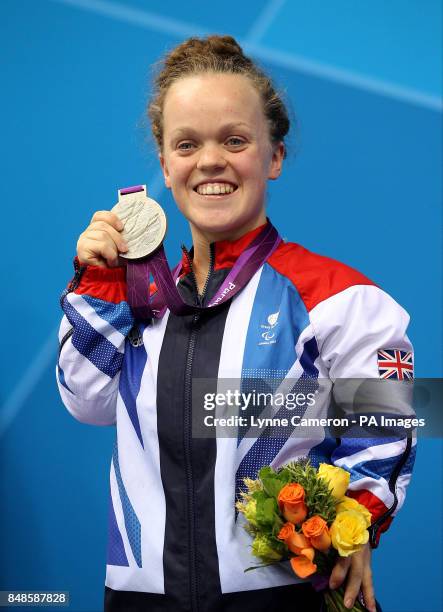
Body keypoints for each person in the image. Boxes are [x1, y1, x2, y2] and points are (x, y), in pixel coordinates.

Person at [56, 35, 414, 612]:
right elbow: (87, 400)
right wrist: (98, 283)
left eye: (235, 140)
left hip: (281, 594)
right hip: (141, 599)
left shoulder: (336, 298)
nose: (211, 161)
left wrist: (358, 523)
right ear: (166, 164)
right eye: (187, 144)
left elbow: (389, 427)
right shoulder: (140, 299)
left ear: (273, 156)